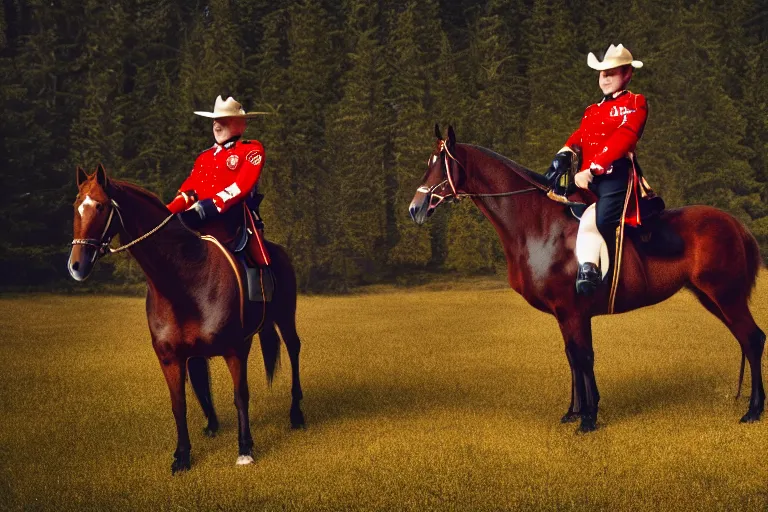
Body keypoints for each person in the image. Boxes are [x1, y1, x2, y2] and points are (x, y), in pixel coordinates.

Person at [546, 44, 647, 295]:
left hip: (616, 177)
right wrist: (564, 152)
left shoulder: (636, 102)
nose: (606, 78)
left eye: (612, 73)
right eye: (603, 73)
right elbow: (581, 136)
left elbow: (625, 136)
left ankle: (592, 273)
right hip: (586, 179)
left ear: (627, 75)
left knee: (597, 219)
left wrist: (593, 168)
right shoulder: (592, 110)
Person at [167, 95, 272, 296]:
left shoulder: (251, 150)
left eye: (223, 120)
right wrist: (167, 211)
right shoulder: (204, 157)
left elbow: (241, 186)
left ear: (241, 124)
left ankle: (262, 297)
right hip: (199, 216)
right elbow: (189, 190)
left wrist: (210, 205)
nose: (216, 124)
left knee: (257, 257)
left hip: (232, 215)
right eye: (215, 120)